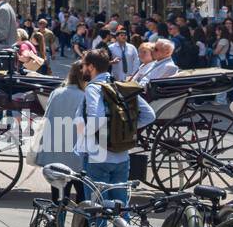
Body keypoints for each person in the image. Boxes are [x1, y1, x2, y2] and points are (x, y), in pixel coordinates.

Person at [73, 49, 156, 212]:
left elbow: (96, 118)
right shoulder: (120, 86)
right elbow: (149, 115)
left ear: (91, 67)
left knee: (97, 211)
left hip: (97, 156)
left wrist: (88, 134)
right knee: (121, 209)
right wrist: (124, 129)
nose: (82, 69)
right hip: (122, 156)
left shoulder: (93, 88)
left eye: (83, 65)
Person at [34, 60, 87, 173]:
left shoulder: (56, 93)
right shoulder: (85, 97)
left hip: (54, 154)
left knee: (58, 187)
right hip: (75, 155)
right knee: (79, 187)